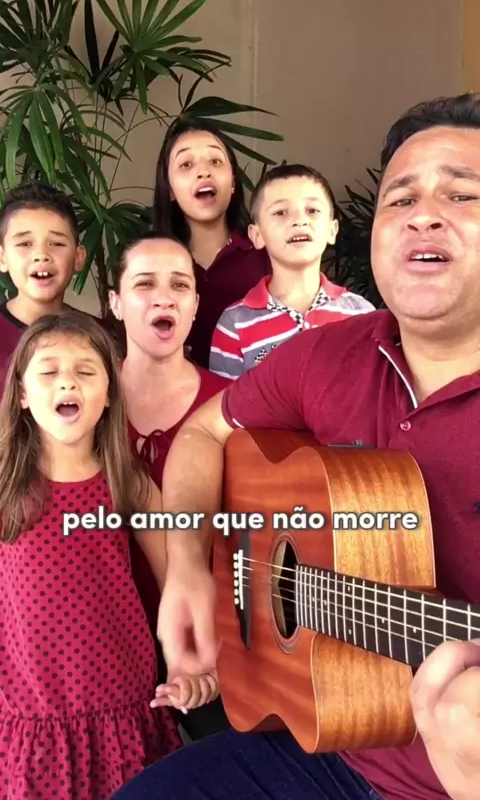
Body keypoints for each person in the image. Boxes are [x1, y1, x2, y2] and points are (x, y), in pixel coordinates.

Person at [113, 92, 480, 800]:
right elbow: (203, 432)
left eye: (461, 194)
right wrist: (187, 563)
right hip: (323, 743)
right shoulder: (325, 355)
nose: (424, 214)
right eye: (401, 199)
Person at [0, 310, 218, 800]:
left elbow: (180, 582)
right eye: (48, 371)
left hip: (124, 711)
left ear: (110, 393)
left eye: (85, 370)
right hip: (32, 718)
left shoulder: (129, 483)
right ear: (22, 394)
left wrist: (190, 665)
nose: (67, 383)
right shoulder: (6, 488)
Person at [108, 232, 230, 739]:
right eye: (144, 284)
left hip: (211, 641)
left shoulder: (232, 405)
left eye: (180, 285)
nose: (164, 297)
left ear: (196, 305)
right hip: (103, 642)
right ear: (115, 303)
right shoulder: (75, 406)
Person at [209, 163, 374, 378]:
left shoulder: (363, 315)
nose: (299, 221)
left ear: (332, 230)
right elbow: (226, 399)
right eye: (280, 212)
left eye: (312, 210)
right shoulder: (235, 323)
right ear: (257, 235)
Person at [153, 120, 271, 368]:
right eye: (186, 164)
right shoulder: (150, 264)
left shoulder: (266, 254)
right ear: (170, 189)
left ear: (233, 182)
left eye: (215, 161)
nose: (204, 172)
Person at [0, 183, 88, 384]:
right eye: (24, 244)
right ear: (2, 258)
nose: (41, 255)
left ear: (78, 257)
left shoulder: (99, 336)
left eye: (56, 243)